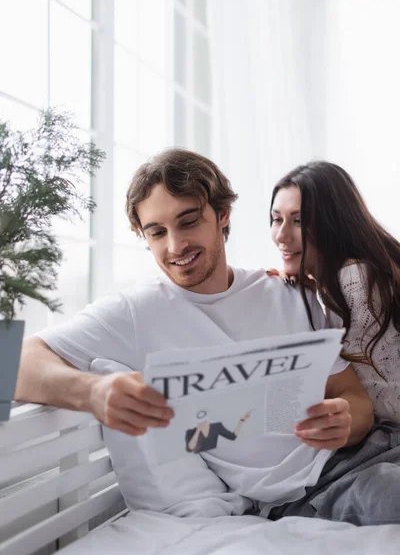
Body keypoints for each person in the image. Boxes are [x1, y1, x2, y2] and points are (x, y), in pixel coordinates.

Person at [15, 147, 397, 526]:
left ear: (222, 215)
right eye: (157, 232)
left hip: (376, 448)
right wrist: (93, 393)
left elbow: (355, 399)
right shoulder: (134, 313)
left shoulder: (287, 292)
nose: (175, 246)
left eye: (188, 222)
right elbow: (13, 361)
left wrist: (347, 422)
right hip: (315, 490)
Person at [269, 160, 400, 423]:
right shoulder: (358, 270)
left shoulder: (355, 280)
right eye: (276, 219)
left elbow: (340, 386)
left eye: (298, 221)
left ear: (333, 222)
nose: (282, 236)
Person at [186, 411, 251, 453]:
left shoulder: (216, 426)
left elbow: (232, 437)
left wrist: (241, 420)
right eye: (200, 421)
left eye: (204, 419)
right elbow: (190, 448)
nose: (203, 422)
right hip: (200, 459)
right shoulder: (190, 432)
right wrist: (198, 430)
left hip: (215, 455)